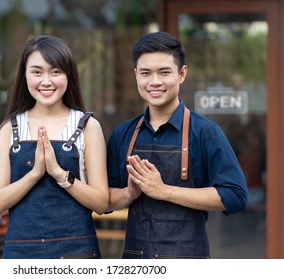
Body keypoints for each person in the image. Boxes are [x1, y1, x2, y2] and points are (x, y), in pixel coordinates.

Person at [106, 32, 248, 259]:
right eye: (145, 73)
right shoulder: (122, 134)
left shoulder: (205, 132)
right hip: (136, 258)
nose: (154, 82)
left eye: (164, 72)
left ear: (182, 74)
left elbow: (235, 195)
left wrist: (164, 191)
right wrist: (128, 193)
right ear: (135, 75)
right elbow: (105, 201)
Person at [0, 35, 108, 259]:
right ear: (24, 75)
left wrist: (60, 174)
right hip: (21, 252)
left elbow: (101, 203)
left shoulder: (88, 127)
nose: (46, 81)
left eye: (55, 72)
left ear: (68, 75)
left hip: (76, 251)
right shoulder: (9, 128)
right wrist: (34, 174)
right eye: (37, 72)